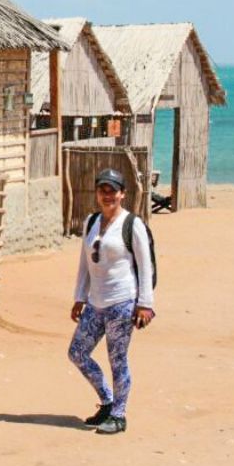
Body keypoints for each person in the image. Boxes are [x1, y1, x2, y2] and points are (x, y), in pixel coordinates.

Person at [68, 167, 155, 434]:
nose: (107, 196)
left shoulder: (132, 224)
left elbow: (145, 265)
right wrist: (79, 297)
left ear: (122, 194)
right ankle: (107, 401)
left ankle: (119, 414)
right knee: (77, 353)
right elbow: (85, 262)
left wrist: (145, 304)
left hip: (122, 303)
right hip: (95, 303)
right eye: (102, 190)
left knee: (117, 359)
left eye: (112, 191)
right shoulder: (91, 222)